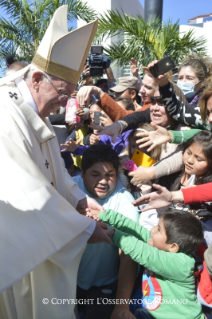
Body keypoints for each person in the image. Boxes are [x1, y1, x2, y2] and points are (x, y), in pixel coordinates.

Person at [0, 6, 112, 319]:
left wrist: (80, 199)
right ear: (36, 78)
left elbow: (54, 170)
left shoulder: (36, 110)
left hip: (40, 245)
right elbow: (28, 192)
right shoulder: (4, 114)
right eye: (63, 96)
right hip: (17, 251)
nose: (66, 106)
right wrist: (84, 230)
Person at [92, 208, 204, 319]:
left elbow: (141, 251)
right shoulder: (161, 246)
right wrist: (106, 215)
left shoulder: (182, 264)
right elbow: (138, 230)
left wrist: (113, 234)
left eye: (159, 229)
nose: (152, 229)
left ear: (173, 247)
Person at [74, 144, 138, 319]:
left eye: (110, 175)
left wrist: (122, 306)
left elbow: (128, 254)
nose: (103, 181)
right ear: (81, 172)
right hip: (67, 278)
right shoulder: (69, 188)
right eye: (95, 174)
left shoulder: (126, 202)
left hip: (104, 285)